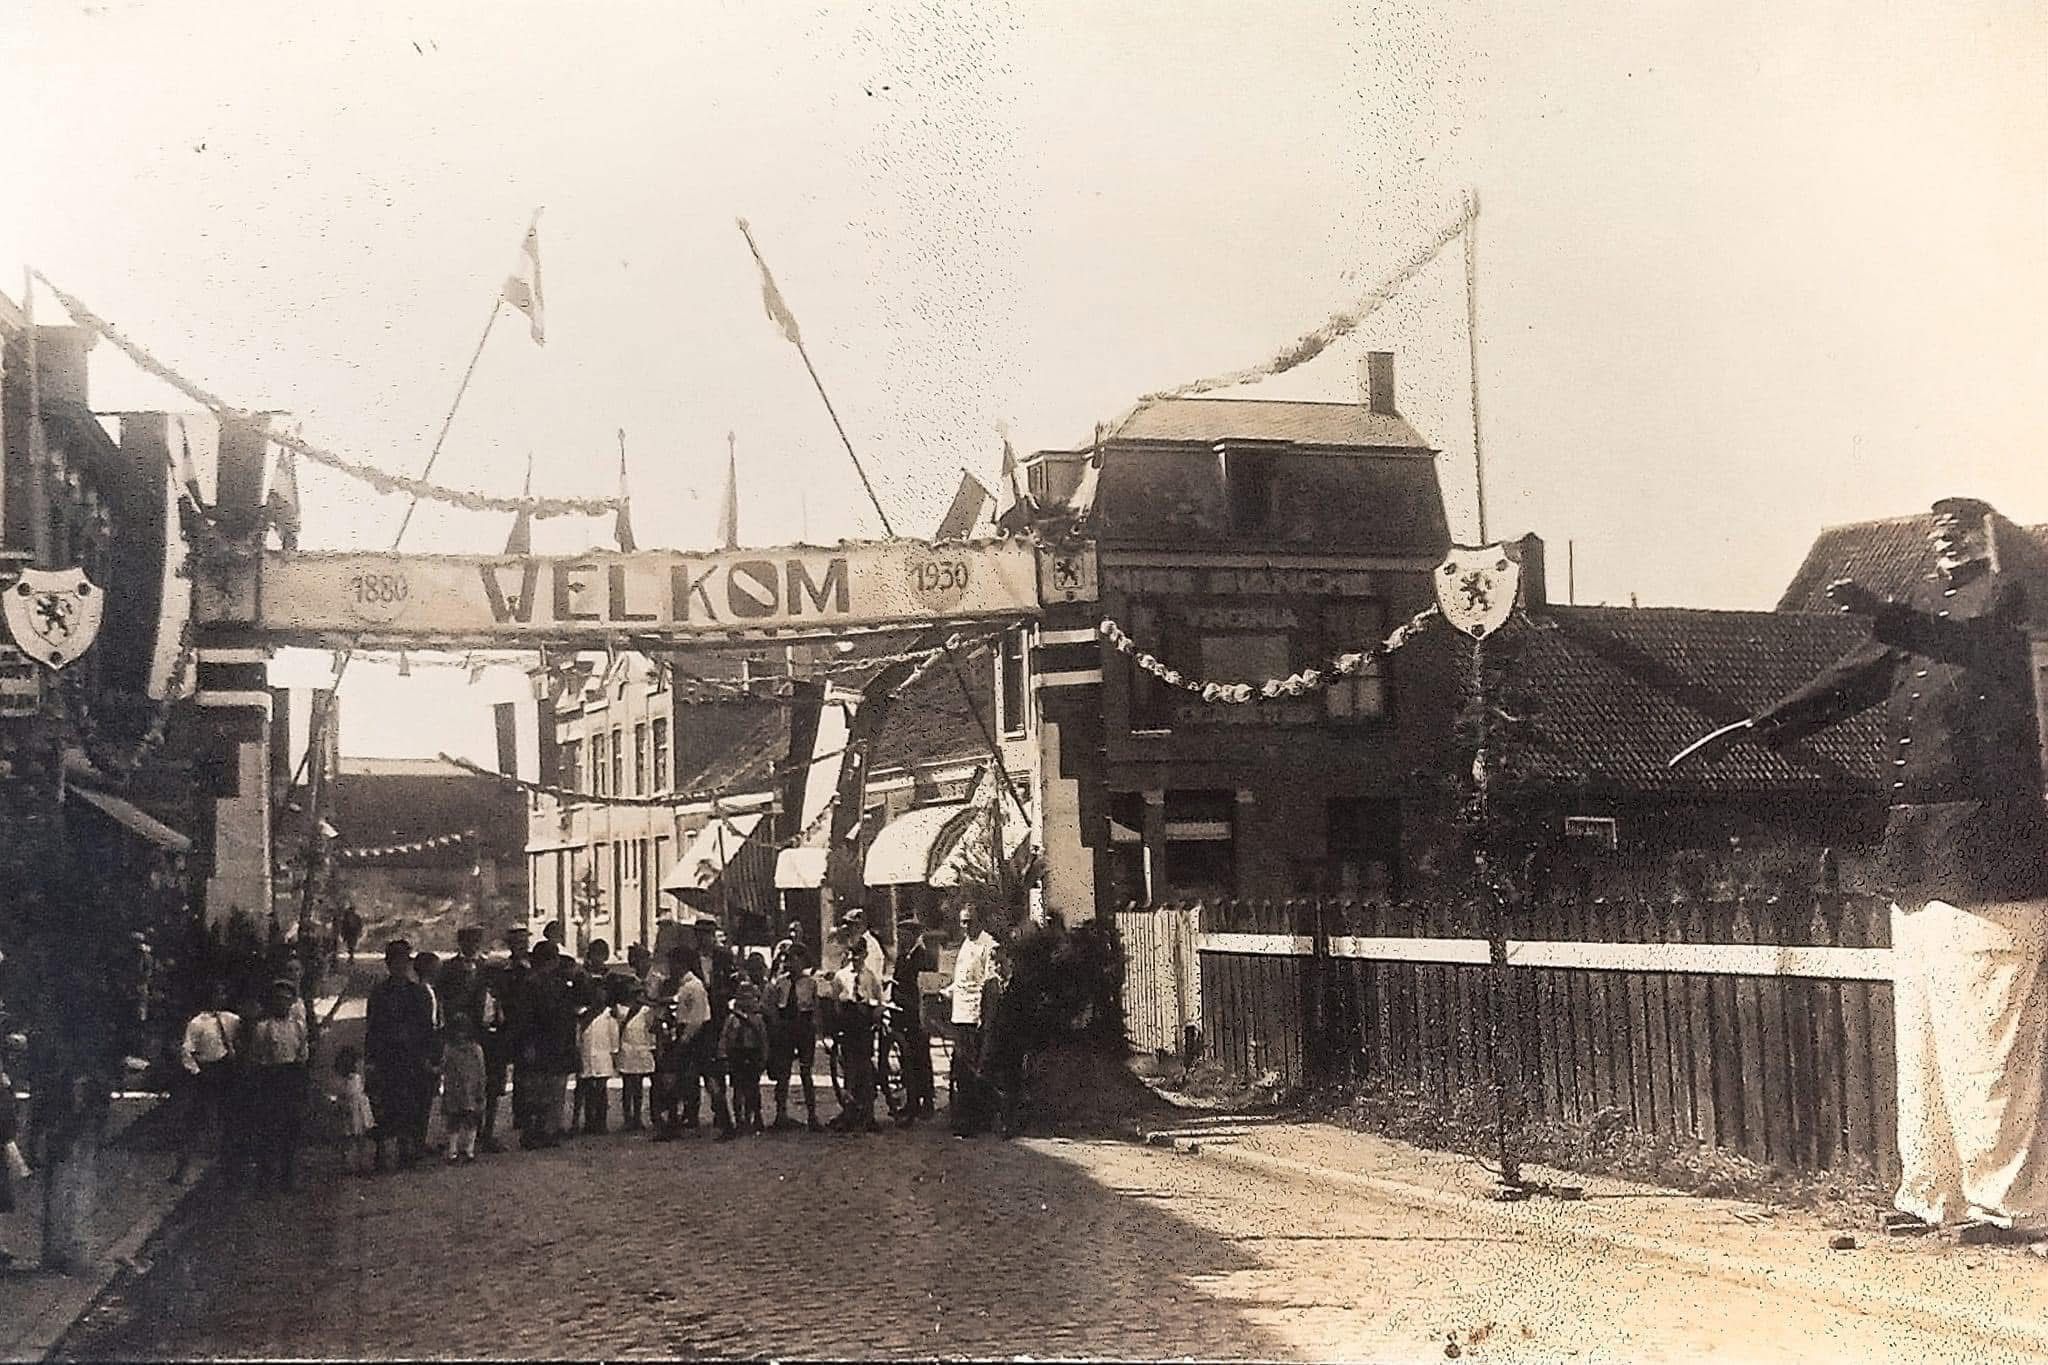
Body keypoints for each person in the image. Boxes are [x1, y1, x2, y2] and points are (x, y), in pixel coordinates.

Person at [1674, 497, 2048, 1244]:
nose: (1945, 540)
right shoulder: (1923, 617)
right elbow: (1849, 679)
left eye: (1961, 529)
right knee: (1924, 1037)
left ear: (1990, 537)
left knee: (1990, 1037)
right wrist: (1760, 726)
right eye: (1938, 530)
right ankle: (1931, 1195)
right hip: (1917, 854)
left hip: (1990, 854)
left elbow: (1963, 640)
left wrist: (1885, 613)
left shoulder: (2012, 603)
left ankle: (2011, 1205)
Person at [365, 940, 438, 1171]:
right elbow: (372, 1028)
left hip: (412, 1056)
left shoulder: (418, 993)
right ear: (388, 964)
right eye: (395, 962)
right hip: (387, 1056)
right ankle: (385, 1151)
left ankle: (409, 1148)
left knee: (412, 1102)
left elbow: (427, 1028)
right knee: (387, 1103)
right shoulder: (379, 993)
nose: (400, 966)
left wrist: (427, 1056)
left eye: (404, 961)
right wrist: (370, 1060)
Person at [245, 978, 311, 1190]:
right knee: (269, 1128)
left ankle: (288, 1174)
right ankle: (266, 1175)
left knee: (292, 1127)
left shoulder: (298, 1026)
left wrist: (300, 1082)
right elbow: (256, 1056)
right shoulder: (263, 1028)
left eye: (286, 999)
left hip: (292, 1077)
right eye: (278, 999)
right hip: (271, 1078)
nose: (282, 1003)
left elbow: (303, 1054)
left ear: (291, 1002)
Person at [171, 982, 240, 1184]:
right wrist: (197, 1072)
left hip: (227, 1070)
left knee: (227, 1115)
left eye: (222, 993)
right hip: (207, 1072)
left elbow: (244, 1034)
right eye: (215, 993)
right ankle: (189, 1166)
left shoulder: (231, 1019)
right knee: (201, 1116)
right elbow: (186, 1051)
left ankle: (224, 1163)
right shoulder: (197, 1023)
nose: (219, 997)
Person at [943, 907, 997, 1136]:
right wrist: (946, 991)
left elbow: (989, 985)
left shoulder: (988, 946)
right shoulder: (966, 944)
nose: (965, 926)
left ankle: (975, 1121)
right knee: (960, 1070)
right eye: (963, 922)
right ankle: (963, 1117)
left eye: (970, 922)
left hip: (974, 1017)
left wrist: (982, 1018)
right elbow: (962, 981)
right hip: (959, 1014)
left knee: (973, 1071)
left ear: (980, 921)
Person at [479, 925, 530, 1153]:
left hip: (523, 1028)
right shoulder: (503, 970)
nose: (521, 946)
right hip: (501, 1032)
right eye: (517, 943)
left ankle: (522, 1117)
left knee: (525, 1075)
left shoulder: (530, 967)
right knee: (492, 1082)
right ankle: (484, 1130)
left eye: (524, 942)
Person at [672, 953, 732, 1137]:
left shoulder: (694, 987)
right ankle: (674, 1122)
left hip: (697, 1037)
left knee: (708, 1079)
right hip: (692, 1034)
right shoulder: (685, 986)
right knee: (683, 1079)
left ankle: (725, 1122)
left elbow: (697, 1018)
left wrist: (685, 1039)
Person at [765, 942, 822, 1131]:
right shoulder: (781, 983)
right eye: (788, 960)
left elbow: (815, 1008)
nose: (790, 964)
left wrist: (816, 1030)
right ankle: (780, 1114)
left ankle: (812, 1116)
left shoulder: (811, 983)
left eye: (795, 959)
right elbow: (773, 1006)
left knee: (806, 1072)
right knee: (783, 1072)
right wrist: (776, 1028)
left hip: (804, 1027)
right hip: (785, 1028)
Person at [831, 935, 884, 1134]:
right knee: (849, 1070)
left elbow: (878, 1000)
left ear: (865, 954)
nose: (855, 958)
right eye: (852, 954)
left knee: (866, 1069)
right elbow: (836, 1003)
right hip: (848, 1024)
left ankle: (868, 1115)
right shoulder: (841, 976)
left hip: (864, 1025)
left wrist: (875, 1015)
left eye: (859, 954)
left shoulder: (870, 977)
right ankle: (849, 1113)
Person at [977, 944, 1027, 1139]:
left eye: (1001, 962)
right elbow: (984, 1014)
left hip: (1012, 1042)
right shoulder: (989, 986)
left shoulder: (1019, 986)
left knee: (1011, 1082)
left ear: (1009, 962)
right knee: (987, 1078)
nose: (997, 967)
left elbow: (1025, 1015)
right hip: (992, 1040)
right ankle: (990, 1117)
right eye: (994, 963)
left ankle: (1009, 1122)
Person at [890, 920, 937, 1124]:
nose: (900, 939)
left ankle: (927, 1102)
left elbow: (927, 987)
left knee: (921, 1059)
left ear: (913, 935)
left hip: (917, 1016)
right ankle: (912, 1102)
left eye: (904, 935)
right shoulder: (902, 956)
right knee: (906, 1061)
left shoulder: (923, 957)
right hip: (902, 1015)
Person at [720, 980, 770, 1137]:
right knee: (738, 1089)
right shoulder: (733, 1018)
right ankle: (740, 1119)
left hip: (752, 1053)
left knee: (752, 1089)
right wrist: (723, 1055)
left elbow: (763, 1040)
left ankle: (752, 1117)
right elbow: (725, 1037)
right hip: (737, 1054)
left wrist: (764, 1057)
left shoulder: (757, 1019)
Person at [440, 1013, 487, 1163]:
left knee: (471, 1118)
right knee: (453, 1119)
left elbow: (481, 1070)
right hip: (454, 1088)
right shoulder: (449, 1049)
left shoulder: (475, 1049)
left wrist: (481, 1087)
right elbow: (444, 1066)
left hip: (470, 1089)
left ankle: (469, 1149)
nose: (460, 1035)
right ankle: (453, 1150)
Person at [576, 977, 620, 1136]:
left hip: (603, 1056)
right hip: (586, 1055)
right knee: (588, 1090)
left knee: (601, 1091)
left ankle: (601, 1122)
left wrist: (614, 1054)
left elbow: (614, 1036)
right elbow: (579, 1036)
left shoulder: (610, 1014)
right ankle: (589, 1122)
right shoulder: (583, 1014)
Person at [614, 979, 656, 1132]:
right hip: (629, 1049)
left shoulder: (645, 1010)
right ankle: (629, 1117)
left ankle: (636, 1117)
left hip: (638, 1049)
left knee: (636, 1087)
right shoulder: (620, 1009)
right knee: (629, 1086)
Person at [333, 1045, 375, 1176]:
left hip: (355, 1108)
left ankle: (355, 1161)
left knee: (354, 1137)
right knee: (355, 1137)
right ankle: (355, 1162)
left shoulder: (347, 1079)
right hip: (354, 1108)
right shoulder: (352, 1079)